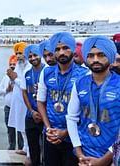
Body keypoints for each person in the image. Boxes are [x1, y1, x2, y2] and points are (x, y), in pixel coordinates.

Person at [66, 35, 120, 166]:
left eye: (101, 55)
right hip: (83, 156)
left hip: (112, 157)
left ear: (110, 56)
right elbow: (71, 118)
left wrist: (103, 160)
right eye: (90, 55)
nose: (95, 59)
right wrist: (79, 152)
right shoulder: (79, 83)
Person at [37, 32, 88, 166]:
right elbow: (41, 102)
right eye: (57, 49)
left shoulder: (84, 75)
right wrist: (48, 128)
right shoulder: (46, 72)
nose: (62, 52)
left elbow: (86, 110)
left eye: (66, 48)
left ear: (72, 49)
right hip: (50, 134)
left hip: (74, 139)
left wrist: (66, 132)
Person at [21, 44, 45, 165]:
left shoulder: (48, 71)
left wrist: (42, 113)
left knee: (46, 149)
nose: (32, 58)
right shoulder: (27, 73)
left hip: (45, 117)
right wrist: (31, 111)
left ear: (40, 55)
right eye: (29, 56)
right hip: (31, 116)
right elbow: (24, 93)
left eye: (35, 55)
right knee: (33, 147)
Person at [7, 42, 31, 164]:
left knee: (28, 127)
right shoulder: (18, 65)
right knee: (21, 125)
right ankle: (25, 148)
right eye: (16, 53)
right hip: (17, 100)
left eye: (20, 53)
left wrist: (14, 78)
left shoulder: (29, 66)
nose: (18, 56)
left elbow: (24, 83)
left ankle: (31, 153)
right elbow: (14, 80)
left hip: (26, 101)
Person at [0, 55, 23, 150]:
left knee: (20, 130)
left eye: (14, 64)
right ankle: (11, 147)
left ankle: (21, 148)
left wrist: (15, 81)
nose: (12, 66)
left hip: (19, 108)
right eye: (10, 64)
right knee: (10, 130)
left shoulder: (21, 77)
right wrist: (6, 89)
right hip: (8, 108)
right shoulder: (5, 78)